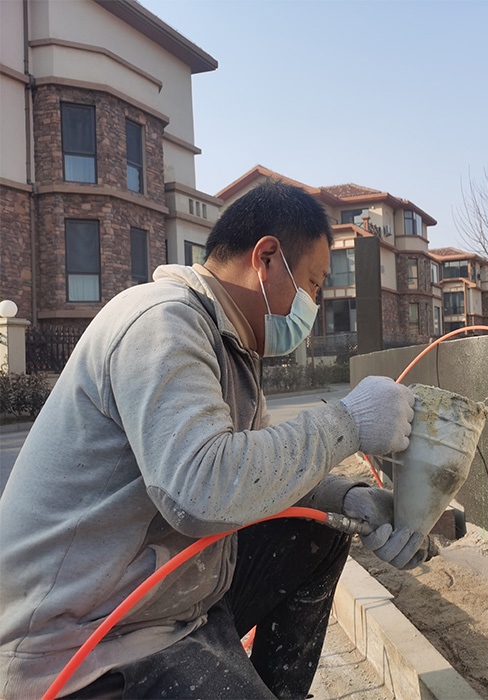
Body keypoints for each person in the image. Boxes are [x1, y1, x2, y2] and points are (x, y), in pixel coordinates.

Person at [0, 180, 430, 699]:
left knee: (316, 532)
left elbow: (259, 473)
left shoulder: (231, 348)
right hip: (80, 639)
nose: (313, 307)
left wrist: (348, 499)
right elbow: (200, 492)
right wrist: (348, 423)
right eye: (313, 285)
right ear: (266, 258)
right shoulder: (161, 321)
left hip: (162, 600)